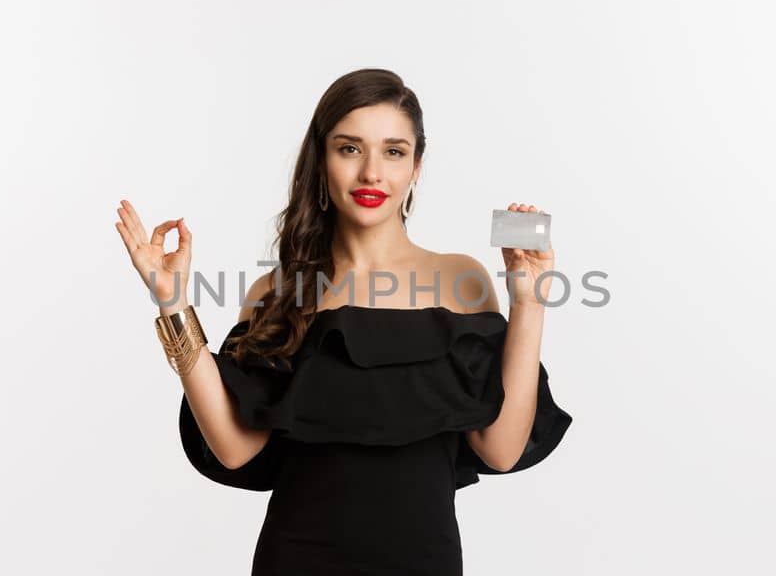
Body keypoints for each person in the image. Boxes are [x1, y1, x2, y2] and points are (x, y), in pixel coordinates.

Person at [113, 68, 573, 575]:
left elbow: (503, 450)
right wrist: (173, 302)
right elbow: (234, 448)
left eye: (394, 152)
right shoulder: (280, 292)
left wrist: (529, 303)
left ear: (417, 166)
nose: (372, 173)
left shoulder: (461, 280)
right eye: (350, 149)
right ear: (322, 160)